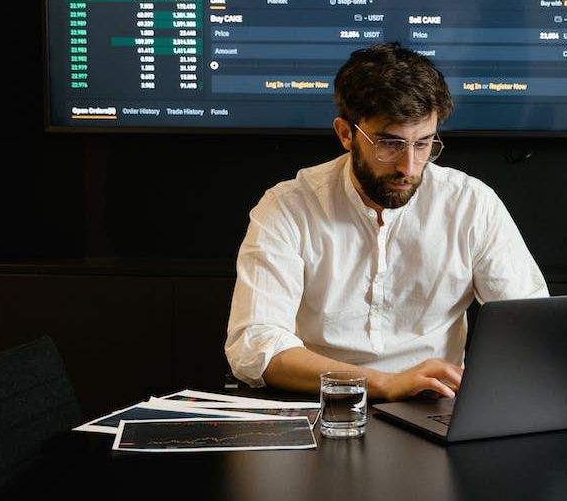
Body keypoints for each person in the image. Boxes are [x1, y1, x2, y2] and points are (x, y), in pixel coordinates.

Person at [225, 42, 547, 401]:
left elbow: (531, 327)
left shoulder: (471, 203)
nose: (408, 167)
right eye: (389, 144)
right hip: (320, 406)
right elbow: (254, 347)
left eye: (423, 144)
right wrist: (383, 383)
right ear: (346, 134)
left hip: (436, 406)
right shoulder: (288, 207)